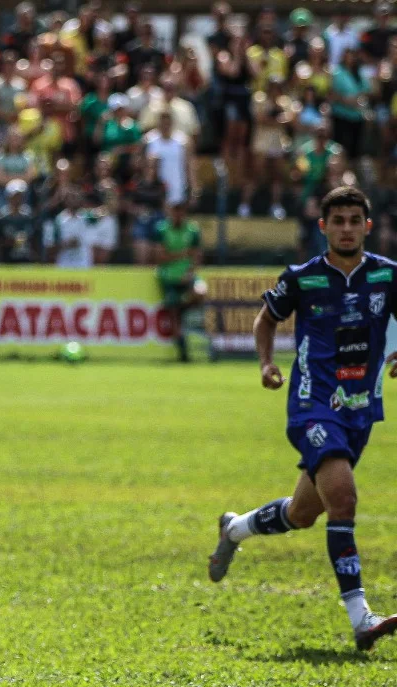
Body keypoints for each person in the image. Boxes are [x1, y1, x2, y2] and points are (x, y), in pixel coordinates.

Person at [209, 187, 397, 652]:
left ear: (367, 227)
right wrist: (266, 363)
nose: (347, 228)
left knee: (303, 513)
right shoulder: (302, 278)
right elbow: (265, 320)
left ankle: (234, 529)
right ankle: (360, 617)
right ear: (324, 227)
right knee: (344, 498)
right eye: (339, 221)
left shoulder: (387, 275)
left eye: (356, 220)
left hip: (360, 410)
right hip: (313, 404)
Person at [154, 200, 204, 362]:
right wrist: (183, 254)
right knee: (174, 316)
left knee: (201, 292)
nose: (178, 214)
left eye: (181, 211)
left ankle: (183, 307)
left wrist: (190, 272)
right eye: (175, 211)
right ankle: (183, 353)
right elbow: (160, 257)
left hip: (187, 276)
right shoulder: (162, 229)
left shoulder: (193, 230)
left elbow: (196, 256)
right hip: (168, 277)